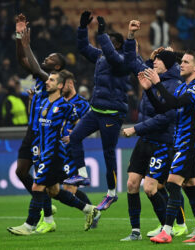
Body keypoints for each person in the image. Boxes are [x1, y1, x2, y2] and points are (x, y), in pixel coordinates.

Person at [7, 71, 98, 235]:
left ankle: (29, 225)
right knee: (53, 191)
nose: (47, 82)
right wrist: (30, 102)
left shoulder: (65, 106)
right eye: (48, 79)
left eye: (52, 80)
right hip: (43, 151)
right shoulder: (43, 102)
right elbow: (35, 120)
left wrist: (72, 136)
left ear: (61, 85)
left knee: (37, 185)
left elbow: (81, 123)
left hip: (54, 153)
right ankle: (88, 209)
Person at [120, 20, 186, 241]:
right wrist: (130, 35)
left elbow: (166, 117)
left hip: (162, 142)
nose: (152, 62)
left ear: (165, 64)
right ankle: (135, 231)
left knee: (151, 188)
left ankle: (168, 228)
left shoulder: (174, 85)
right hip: (145, 140)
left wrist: (136, 129)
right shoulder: (151, 75)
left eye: (157, 60)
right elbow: (131, 60)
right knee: (131, 184)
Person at [138, 50, 195, 243]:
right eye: (182, 61)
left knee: (172, 183)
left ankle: (167, 231)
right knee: (190, 185)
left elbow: (178, 102)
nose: (182, 65)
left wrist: (158, 83)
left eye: (186, 62)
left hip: (190, 140)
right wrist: (148, 89)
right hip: (180, 141)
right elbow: (165, 107)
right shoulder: (181, 88)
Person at [69, 11, 132, 210]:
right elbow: (83, 47)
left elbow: (113, 57)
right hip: (96, 110)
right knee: (75, 137)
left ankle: (112, 193)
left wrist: (102, 34)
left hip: (112, 114)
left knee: (108, 153)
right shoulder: (101, 56)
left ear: (119, 44)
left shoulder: (123, 60)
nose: (103, 45)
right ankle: (82, 174)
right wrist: (82, 28)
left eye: (108, 41)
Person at [14, 13, 66, 232]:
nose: (47, 58)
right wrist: (19, 36)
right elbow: (22, 61)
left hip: (42, 134)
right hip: (30, 130)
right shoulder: (39, 78)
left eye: (51, 58)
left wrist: (27, 44)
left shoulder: (51, 80)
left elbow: (35, 66)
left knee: (46, 183)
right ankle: (46, 204)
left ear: (56, 68)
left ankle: (43, 214)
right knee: (21, 172)